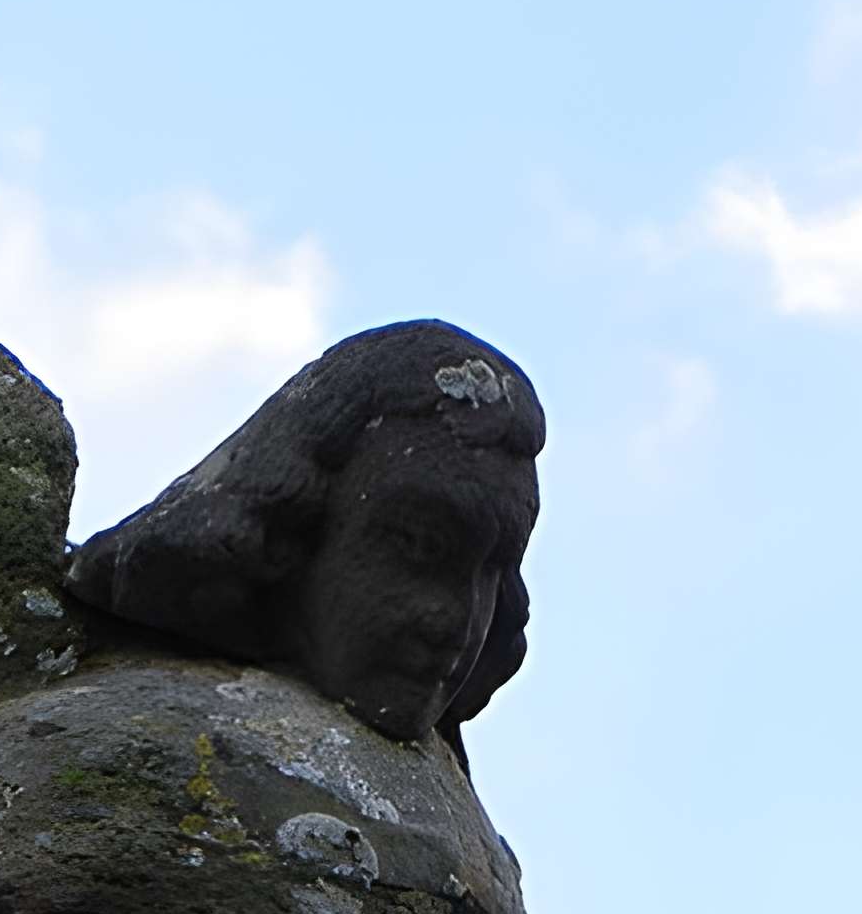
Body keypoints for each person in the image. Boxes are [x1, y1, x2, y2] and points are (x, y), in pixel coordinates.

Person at [63, 321, 543, 756]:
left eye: (491, 576)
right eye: (420, 546)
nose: (455, 625)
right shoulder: (104, 729)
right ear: (297, 524)